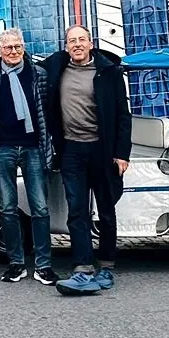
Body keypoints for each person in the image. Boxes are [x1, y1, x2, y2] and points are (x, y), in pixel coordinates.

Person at [42, 25, 131, 295]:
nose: (77, 44)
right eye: (72, 41)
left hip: (102, 151)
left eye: (82, 40)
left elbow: (122, 115)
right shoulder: (56, 65)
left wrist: (121, 153)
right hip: (71, 151)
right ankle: (82, 269)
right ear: (65, 45)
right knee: (77, 210)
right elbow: (19, 58)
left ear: (91, 43)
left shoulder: (109, 72)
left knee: (105, 209)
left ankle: (106, 266)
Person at [0, 29, 56, 285]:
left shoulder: (38, 74)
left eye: (18, 46)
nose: (13, 51)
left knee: (40, 208)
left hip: (33, 147)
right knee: (8, 208)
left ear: (23, 47)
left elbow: (49, 107)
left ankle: (43, 265)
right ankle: (16, 263)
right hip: (2, 148)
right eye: (8, 47)